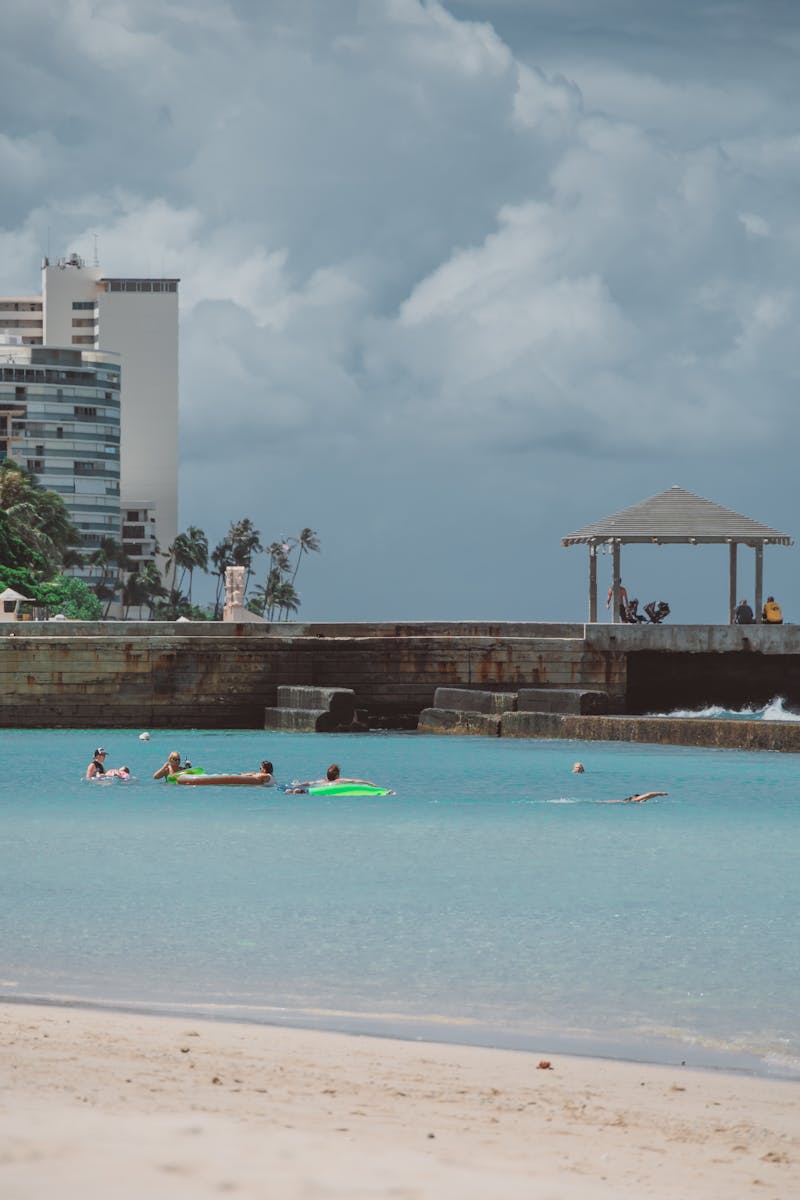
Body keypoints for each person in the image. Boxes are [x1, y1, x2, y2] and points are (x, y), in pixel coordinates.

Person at [289, 763, 379, 793]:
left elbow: (308, 783)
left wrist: (298, 785)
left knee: (302, 791)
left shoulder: (322, 780)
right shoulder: (339, 780)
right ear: (337, 775)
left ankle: (294, 791)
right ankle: (298, 791)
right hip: (325, 789)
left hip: (315, 788)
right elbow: (355, 781)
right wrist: (370, 783)